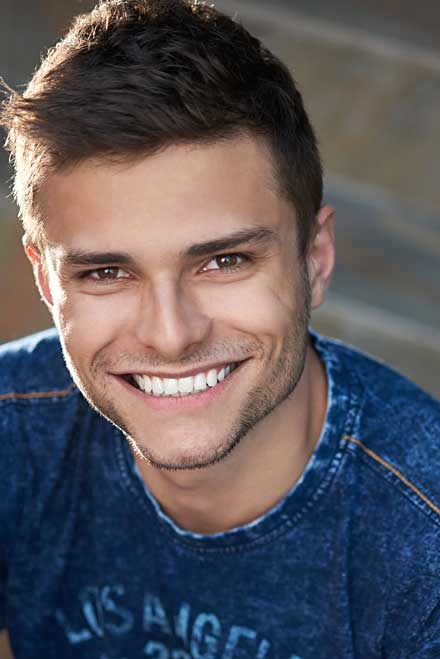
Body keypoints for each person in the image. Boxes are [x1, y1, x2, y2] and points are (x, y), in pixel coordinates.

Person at [0, 0, 439, 657]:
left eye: (224, 260)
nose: (171, 335)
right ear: (47, 284)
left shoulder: (422, 545)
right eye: (106, 272)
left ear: (313, 260)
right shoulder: (13, 436)